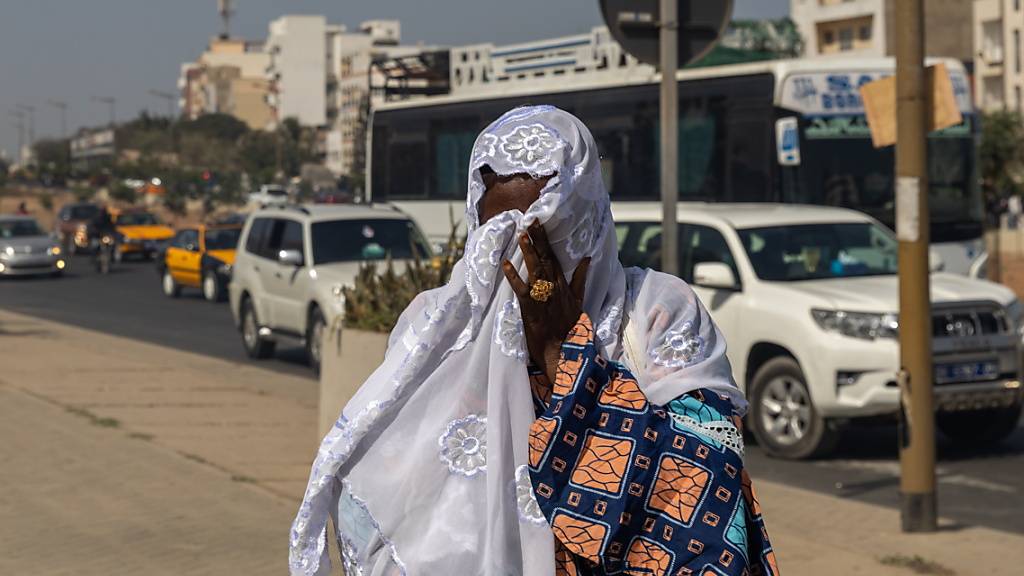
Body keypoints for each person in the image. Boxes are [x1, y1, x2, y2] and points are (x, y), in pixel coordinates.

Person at [290, 106, 777, 576]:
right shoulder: (434, 327)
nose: (526, 272)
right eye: (501, 243)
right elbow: (393, 488)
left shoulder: (657, 312)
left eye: (545, 241)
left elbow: (706, 490)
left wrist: (564, 358)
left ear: (587, 226)